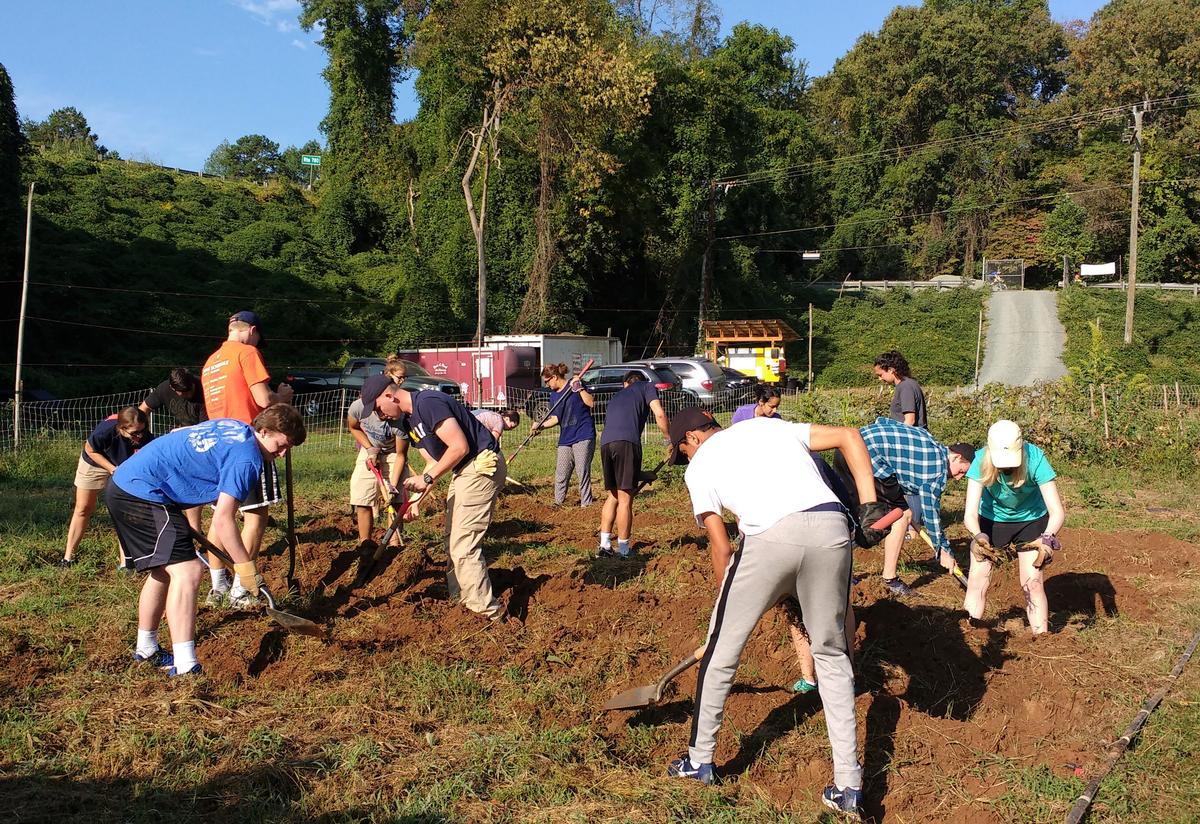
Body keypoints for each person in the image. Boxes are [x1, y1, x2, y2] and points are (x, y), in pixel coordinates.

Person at [663, 408, 893, 820]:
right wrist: (869, 504)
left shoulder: (698, 470)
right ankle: (848, 786)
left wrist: (729, 607)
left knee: (722, 649)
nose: (687, 461)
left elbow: (721, 547)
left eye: (684, 452)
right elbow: (848, 435)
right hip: (831, 530)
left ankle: (700, 761)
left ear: (693, 439)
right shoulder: (769, 426)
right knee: (832, 654)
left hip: (769, 537)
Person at [107, 405, 306, 677]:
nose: (282, 454)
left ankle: (147, 649)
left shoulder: (237, 427)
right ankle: (187, 666)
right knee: (188, 570)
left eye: (289, 449)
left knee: (163, 571)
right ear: (264, 431)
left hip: (128, 485)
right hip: (142, 492)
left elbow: (183, 432)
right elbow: (223, 520)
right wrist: (246, 568)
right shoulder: (247, 460)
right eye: (281, 445)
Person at [361, 375, 509, 621]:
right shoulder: (409, 421)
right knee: (452, 540)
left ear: (389, 395)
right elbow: (432, 464)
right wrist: (416, 500)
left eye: (377, 408)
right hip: (463, 470)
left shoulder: (428, 403)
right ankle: (460, 603)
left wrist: (427, 479)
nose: (379, 415)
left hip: (481, 465)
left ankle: (485, 614)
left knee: (464, 544)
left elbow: (459, 447)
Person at [200, 310, 294, 608]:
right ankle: (242, 588)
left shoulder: (212, 362)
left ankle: (217, 587)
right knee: (255, 515)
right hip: (249, 442)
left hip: (218, 444)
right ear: (251, 330)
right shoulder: (247, 352)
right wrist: (283, 397)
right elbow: (264, 400)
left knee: (221, 516)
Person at [834, 417, 974, 596]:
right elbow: (931, 514)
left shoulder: (929, 439)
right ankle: (889, 578)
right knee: (901, 516)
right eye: (961, 471)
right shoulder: (937, 470)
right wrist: (943, 550)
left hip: (848, 446)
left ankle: (840, 570)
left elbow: (884, 421)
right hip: (867, 459)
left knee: (851, 515)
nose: (959, 478)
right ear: (955, 457)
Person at [963, 420, 1065, 635]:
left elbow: (1057, 511)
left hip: (1031, 520)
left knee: (1033, 582)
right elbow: (970, 513)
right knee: (977, 578)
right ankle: (968, 632)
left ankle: (1042, 637)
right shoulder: (981, 459)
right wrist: (978, 536)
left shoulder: (1036, 459)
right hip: (990, 521)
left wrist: (1047, 538)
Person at [60, 407, 153, 567]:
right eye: (134, 433)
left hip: (122, 466)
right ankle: (68, 558)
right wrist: (111, 468)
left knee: (123, 512)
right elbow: (89, 449)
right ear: (121, 429)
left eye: (142, 431)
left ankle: (126, 563)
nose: (139, 436)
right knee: (83, 508)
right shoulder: (106, 431)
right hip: (95, 462)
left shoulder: (145, 436)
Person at [597, 371, 670, 558]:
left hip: (605, 443)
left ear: (625, 383)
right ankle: (623, 550)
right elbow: (659, 414)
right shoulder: (647, 387)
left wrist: (643, 475)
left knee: (613, 494)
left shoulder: (616, 396)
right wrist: (668, 438)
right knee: (625, 499)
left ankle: (604, 545)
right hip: (627, 443)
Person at [140, 368, 208, 532]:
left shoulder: (204, 387)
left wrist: (183, 432)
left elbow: (209, 427)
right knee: (188, 482)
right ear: (173, 389)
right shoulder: (164, 389)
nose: (187, 395)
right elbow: (143, 409)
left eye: (190, 390)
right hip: (182, 442)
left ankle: (197, 529)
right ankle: (193, 530)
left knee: (199, 481)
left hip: (205, 439)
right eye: (182, 393)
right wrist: (143, 434)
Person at [347, 385, 410, 550]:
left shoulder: (400, 420)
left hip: (393, 453)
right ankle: (365, 545)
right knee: (363, 497)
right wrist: (370, 449)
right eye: (375, 410)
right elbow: (353, 427)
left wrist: (392, 486)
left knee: (395, 501)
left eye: (381, 409)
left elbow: (401, 455)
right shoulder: (358, 407)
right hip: (370, 450)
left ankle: (394, 545)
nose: (382, 414)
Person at [532, 363, 596, 508]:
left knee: (582, 471)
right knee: (561, 472)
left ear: (554, 377)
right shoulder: (554, 395)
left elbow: (591, 403)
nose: (547, 385)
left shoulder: (575, 384)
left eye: (547, 381)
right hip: (566, 438)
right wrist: (540, 425)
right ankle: (558, 503)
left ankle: (586, 505)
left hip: (583, 434)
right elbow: (556, 418)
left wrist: (579, 388)